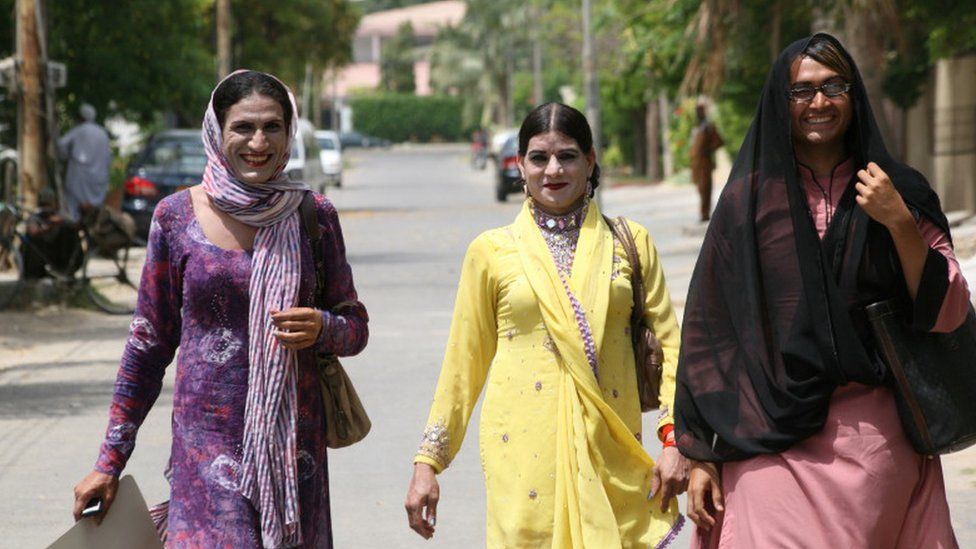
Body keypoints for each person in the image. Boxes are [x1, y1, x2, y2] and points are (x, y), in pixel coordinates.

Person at [675, 33, 966, 548]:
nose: (818, 102)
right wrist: (698, 450)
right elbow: (711, 333)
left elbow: (949, 311)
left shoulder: (901, 190)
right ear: (780, 102)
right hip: (763, 435)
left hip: (873, 446)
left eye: (834, 86)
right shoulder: (749, 204)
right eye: (802, 90)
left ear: (854, 96)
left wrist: (898, 221)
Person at [71, 70, 368, 548]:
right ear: (217, 130)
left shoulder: (313, 215)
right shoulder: (176, 218)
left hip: (293, 457)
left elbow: (355, 326)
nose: (258, 141)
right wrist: (109, 461)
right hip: (204, 457)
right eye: (243, 128)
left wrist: (323, 327)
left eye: (272, 127)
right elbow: (146, 348)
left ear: (289, 133)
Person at [405, 102, 688, 547]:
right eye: (539, 157)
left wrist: (674, 441)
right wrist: (428, 463)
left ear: (590, 161)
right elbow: (464, 365)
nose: (553, 169)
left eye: (568, 156)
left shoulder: (629, 242)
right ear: (520, 164)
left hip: (612, 453)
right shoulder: (491, 251)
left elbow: (673, 347)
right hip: (521, 459)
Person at [57, 103, 112, 221]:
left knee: (73, 211)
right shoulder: (102, 132)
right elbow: (108, 158)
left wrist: (64, 157)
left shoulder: (79, 130)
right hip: (98, 179)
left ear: (81, 117)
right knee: (94, 213)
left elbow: (61, 144)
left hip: (79, 178)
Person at [689, 104, 723, 222]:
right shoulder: (697, 127)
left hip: (705, 163)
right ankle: (704, 213)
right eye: (697, 112)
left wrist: (707, 150)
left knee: (705, 188)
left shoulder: (709, 127)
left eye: (700, 112)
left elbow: (719, 142)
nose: (698, 114)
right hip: (696, 165)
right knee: (699, 188)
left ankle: (705, 214)